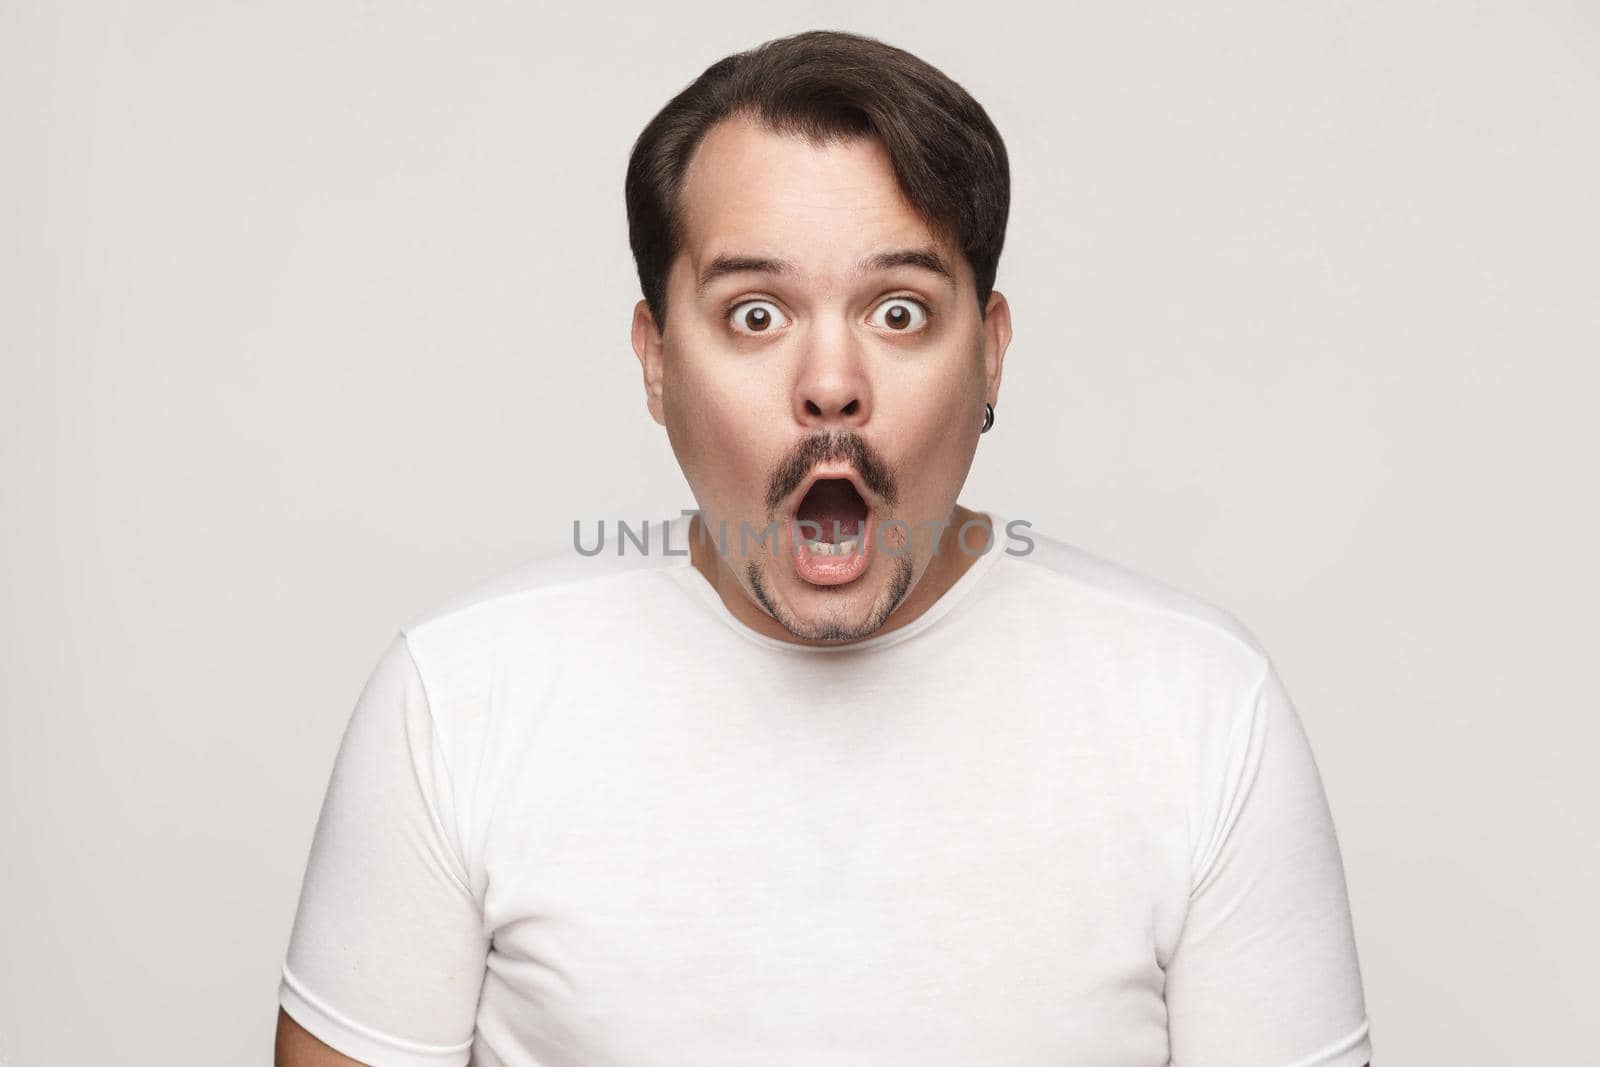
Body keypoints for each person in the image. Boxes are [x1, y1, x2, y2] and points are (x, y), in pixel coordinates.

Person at [276, 29, 1373, 1067]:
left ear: (989, 355)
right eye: (756, 314)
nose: (831, 381)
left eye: (898, 311)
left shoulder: (1202, 709)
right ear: (656, 360)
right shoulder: (458, 700)